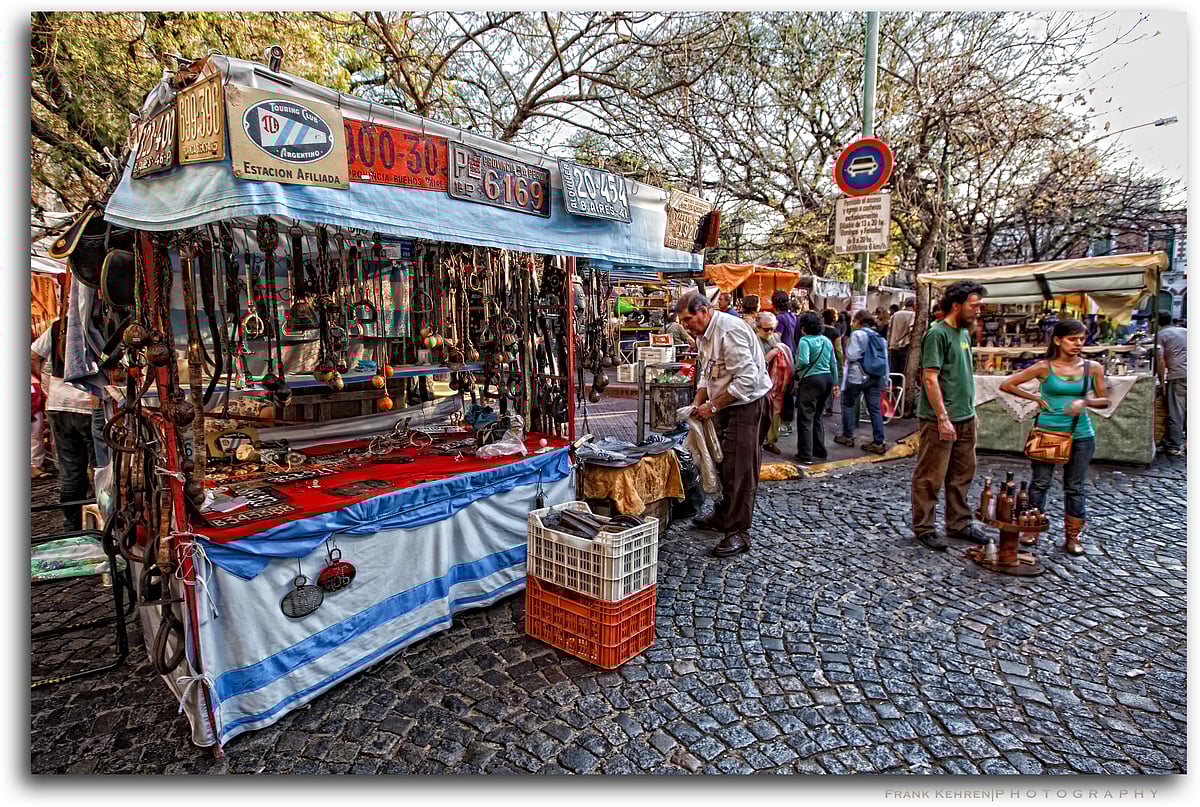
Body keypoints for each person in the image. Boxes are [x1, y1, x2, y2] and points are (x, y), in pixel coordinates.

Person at [1000, 320, 1110, 555]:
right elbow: (1007, 384)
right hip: (1048, 432)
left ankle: (1073, 536)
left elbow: (1105, 400)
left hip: (1080, 434)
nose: (1078, 343)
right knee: (1040, 483)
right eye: (1072, 338)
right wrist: (1037, 399)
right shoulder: (1044, 367)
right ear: (1058, 340)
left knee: (1075, 487)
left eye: (1081, 338)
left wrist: (1085, 402)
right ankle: (1031, 528)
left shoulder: (1093, 368)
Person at [678, 291, 773, 558]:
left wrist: (713, 405)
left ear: (705, 311)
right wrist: (699, 402)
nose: (686, 325)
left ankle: (739, 533)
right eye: (682, 321)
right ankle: (722, 516)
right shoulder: (705, 335)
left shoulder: (729, 331)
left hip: (747, 406)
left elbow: (747, 380)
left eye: (689, 319)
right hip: (726, 406)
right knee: (722, 464)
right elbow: (707, 374)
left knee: (740, 469)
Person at [911, 280, 988, 551]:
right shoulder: (937, 334)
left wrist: (970, 411)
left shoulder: (964, 333)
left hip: (965, 416)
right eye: (974, 304)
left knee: (962, 473)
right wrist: (942, 417)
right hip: (939, 419)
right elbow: (930, 378)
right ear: (957, 306)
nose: (979, 309)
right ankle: (924, 527)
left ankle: (959, 523)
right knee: (931, 475)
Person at [31, 319, 100, 532]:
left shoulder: (58, 325)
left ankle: (73, 526)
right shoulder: (98, 321)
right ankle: (101, 521)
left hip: (59, 404)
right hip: (89, 405)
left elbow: (33, 356)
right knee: (100, 469)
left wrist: (48, 385)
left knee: (71, 471)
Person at [834, 310, 890, 454]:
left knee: (848, 403)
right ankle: (878, 441)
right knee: (875, 409)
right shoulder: (879, 336)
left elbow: (852, 355)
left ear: (859, 321)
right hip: (875, 377)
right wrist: (885, 380)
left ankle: (848, 435)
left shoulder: (858, 334)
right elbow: (885, 359)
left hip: (857, 375)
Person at [793, 312, 840, 465]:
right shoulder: (826, 340)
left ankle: (805, 454)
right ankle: (819, 451)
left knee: (805, 418)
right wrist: (835, 383)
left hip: (811, 381)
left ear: (804, 327)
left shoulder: (805, 341)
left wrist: (795, 368)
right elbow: (834, 363)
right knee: (817, 416)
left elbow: (803, 361)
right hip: (826, 379)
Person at [757, 312, 793, 456]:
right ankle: (760, 441)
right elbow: (758, 363)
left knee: (775, 412)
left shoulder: (774, 338)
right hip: (759, 383)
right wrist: (772, 354)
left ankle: (770, 440)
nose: (770, 332)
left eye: (772, 329)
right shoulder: (754, 340)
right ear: (758, 327)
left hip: (775, 384)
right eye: (766, 329)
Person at [1157, 311, 1187, 456]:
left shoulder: (1161, 335)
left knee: (1176, 412)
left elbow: (1161, 360)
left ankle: (1174, 445)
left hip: (1179, 375)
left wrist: (1162, 381)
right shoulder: (1185, 331)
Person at [770, 290, 798, 436]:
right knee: (788, 393)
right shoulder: (793, 316)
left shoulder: (779, 318)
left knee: (779, 392)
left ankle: (780, 425)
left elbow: (777, 338)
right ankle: (787, 423)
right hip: (792, 355)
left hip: (782, 358)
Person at [822, 309, 845, 417]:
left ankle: (820, 406)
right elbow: (839, 349)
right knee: (830, 384)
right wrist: (841, 363)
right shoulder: (835, 332)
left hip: (819, 358)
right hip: (831, 360)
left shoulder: (819, 329)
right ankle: (828, 407)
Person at [888, 298, 916, 380]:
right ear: (914, 305)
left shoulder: (896, 314)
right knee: (903, 369)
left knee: (894, 369)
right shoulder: (913, 315)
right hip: (905, 345)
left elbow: (889, 330)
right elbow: (911, 330)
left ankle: (893, 388)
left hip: (893, 345)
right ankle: (902, 388)